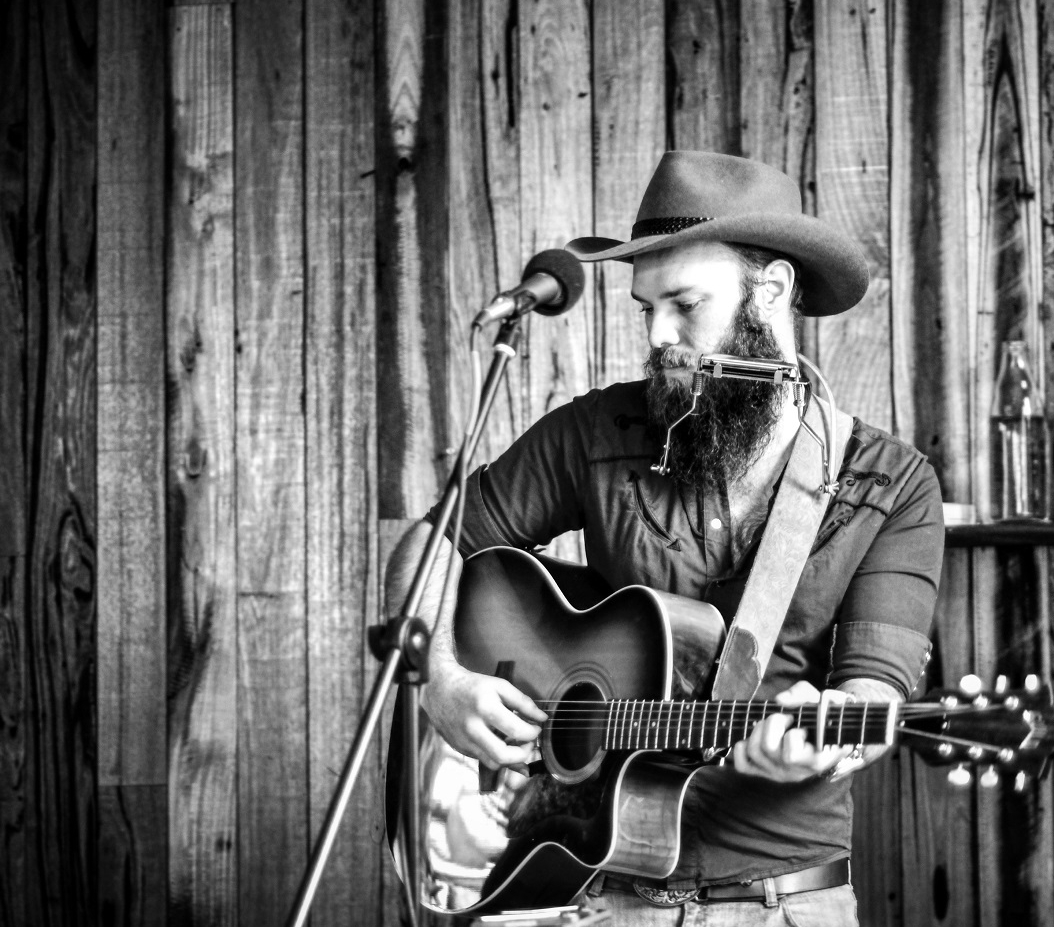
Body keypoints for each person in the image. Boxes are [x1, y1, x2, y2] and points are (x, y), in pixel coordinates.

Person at [385, 150, 946, 926]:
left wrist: (832, 734)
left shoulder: (888, 483)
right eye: (646, 307)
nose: (658, 334)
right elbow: (432, 543)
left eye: (684, 304)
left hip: (785, 904)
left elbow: (873, 691)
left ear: (770, 290)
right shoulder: (597, 431)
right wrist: (444, 681)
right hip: (593, 894)